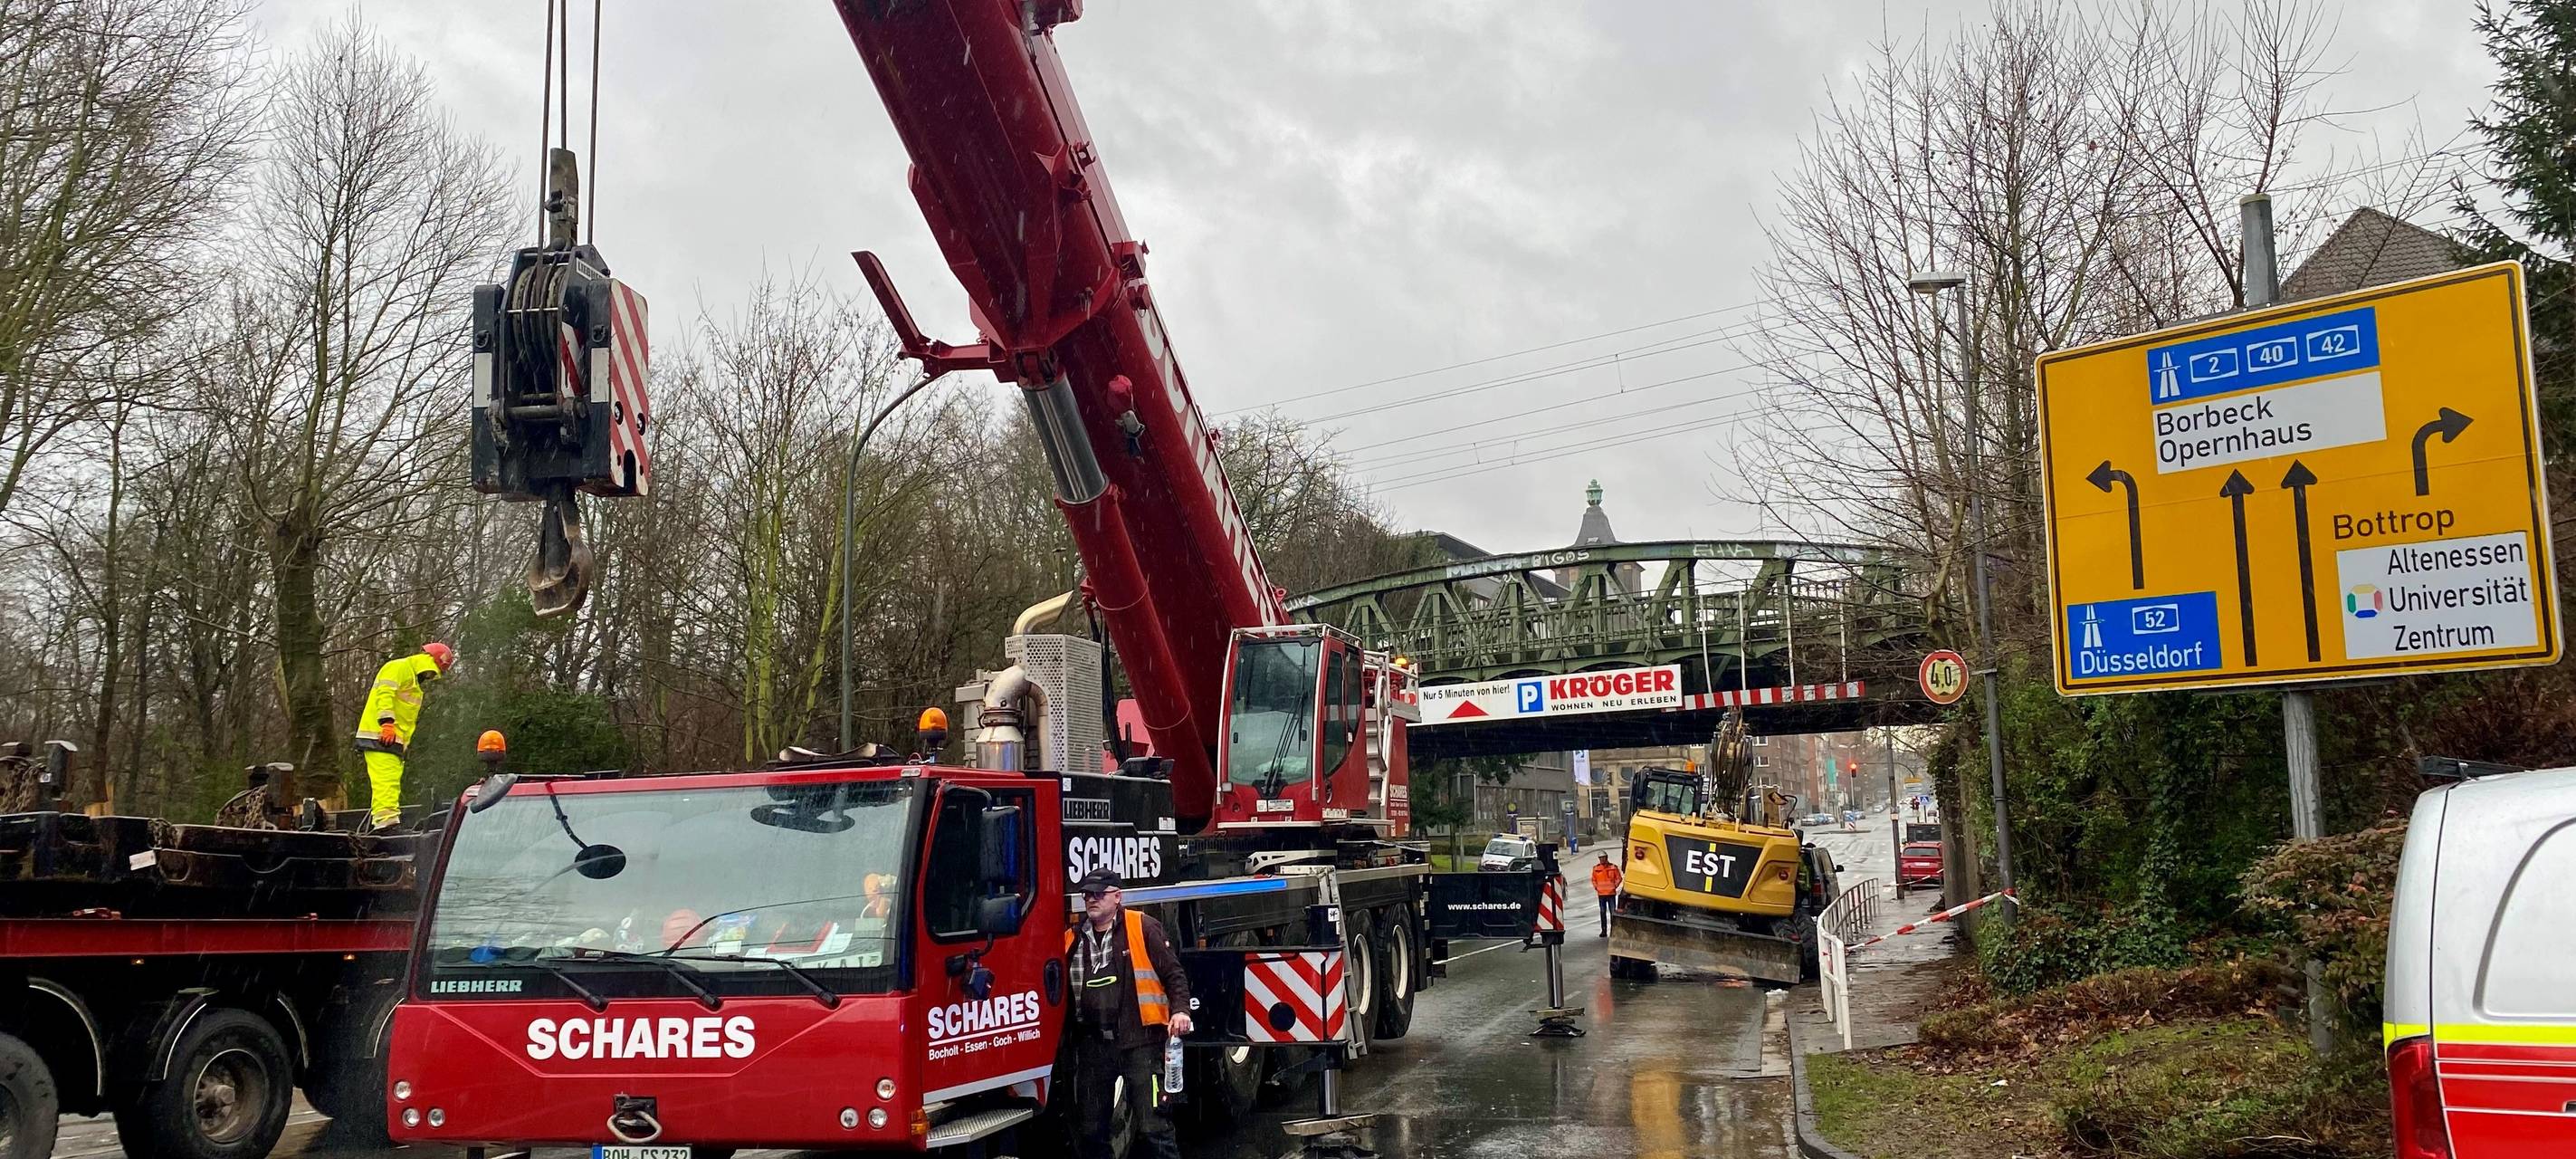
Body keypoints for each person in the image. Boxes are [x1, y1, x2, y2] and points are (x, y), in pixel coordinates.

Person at [1062, 867, 1191, 1159]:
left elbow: (1173, 974)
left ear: (1117, 897)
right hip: (1094, 1046)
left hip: (1140, 1044)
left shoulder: (1141, 926)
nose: (1091, 900)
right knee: (1090, 1131)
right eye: (1086, 895)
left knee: (1153, 1127)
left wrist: (1180, 1011)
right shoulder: (1072, 938)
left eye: (1099, 894)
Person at [351, 642, 453, 828]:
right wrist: (387, 724)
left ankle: (384, 821)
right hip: (381, 736)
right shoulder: (399, 668)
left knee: (390, 783)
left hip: (391, 741)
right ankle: (386, 824)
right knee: (386, 781)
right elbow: (385, 694)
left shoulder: (412, 681)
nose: (430, 676)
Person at [1590, 852, 1623, 936]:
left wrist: (1614, 886)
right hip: (1601, 894)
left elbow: (1619, 878)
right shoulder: (1596, 868)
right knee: (1602, 912)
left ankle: (1614, 930)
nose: (1602, 859)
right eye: (1600, 858)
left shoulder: (1613, 867)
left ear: (1606, 858)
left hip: (1611, 893)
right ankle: (1604, 931)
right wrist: (1596, 887)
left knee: (1613, 912)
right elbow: (1593, 879)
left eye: (1603, 858)